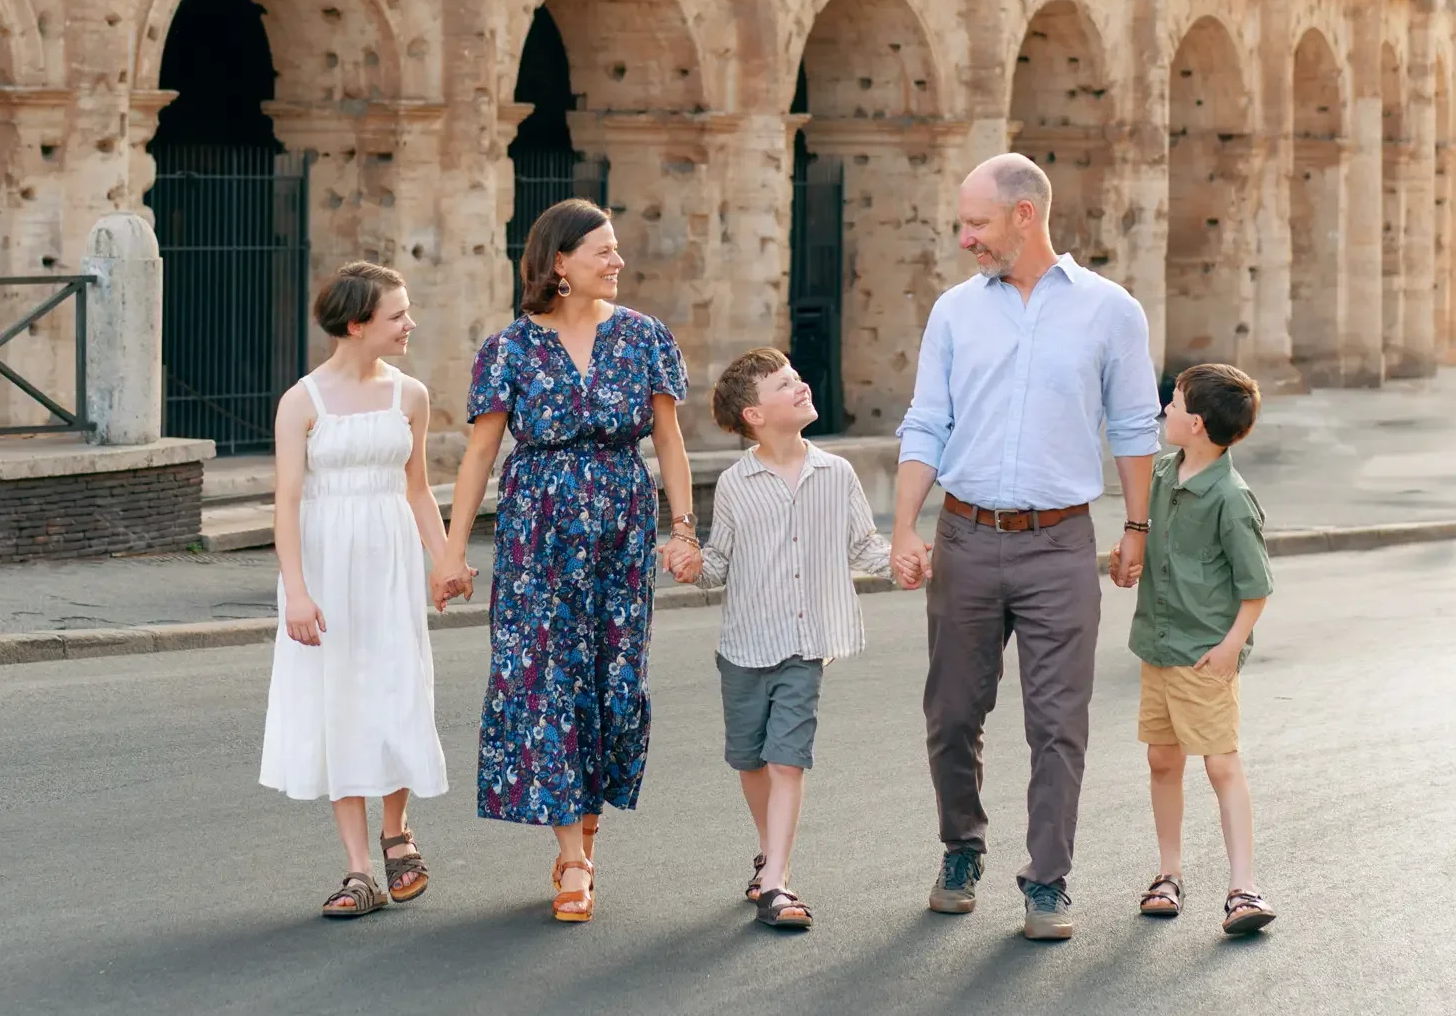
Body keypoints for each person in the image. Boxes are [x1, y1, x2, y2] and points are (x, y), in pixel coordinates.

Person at [892, 154, 1160, 940]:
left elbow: (1135, 426)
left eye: (975, 222)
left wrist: (1136, 527)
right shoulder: (953, 312)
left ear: (1024, 216)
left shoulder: (1110, 311)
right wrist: (904, 526)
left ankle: (1046, 882)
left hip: (1059, 544)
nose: (964, 237)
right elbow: (925, 423)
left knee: (1057, 721)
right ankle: (960, 848)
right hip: (965, 535)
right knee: (950, 712)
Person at [437, 200, 694, 924]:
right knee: (546, 678)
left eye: (616, 250)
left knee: (615, 679)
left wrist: (683, 529)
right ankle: (574, 861)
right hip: (537, 531)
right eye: (602, 251)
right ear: (559, 263)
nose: (616, 261)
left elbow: (669, 442)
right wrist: (453, 551)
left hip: (620, 523)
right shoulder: (508, 349)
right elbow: (480, 454)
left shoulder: (644, 337)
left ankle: (585, 828)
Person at [669, 347, 893, 932]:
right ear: (753, 416)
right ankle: (768, 855)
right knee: (750, 758)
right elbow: (718, 564)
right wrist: (690, 563)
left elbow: (867, 549)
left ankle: (776, 884)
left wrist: (913, 560)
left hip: (806, 643)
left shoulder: (836, 473)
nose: (800, 386)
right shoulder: (737, 485)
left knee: (787, 759)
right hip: (745, 644)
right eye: (783, 383)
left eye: (798, 377)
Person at [260, 261, 455, 921]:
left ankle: (397, 832)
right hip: (325, 564)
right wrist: (296, 592)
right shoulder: (302, 402)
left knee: (398, 693)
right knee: (338, 702)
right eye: (397, 314)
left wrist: (445, 559)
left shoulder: (411, 396)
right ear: (357, 324)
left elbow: (418, 489)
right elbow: (285, 503)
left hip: (390, 559)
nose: (410, 324)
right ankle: (359, 871)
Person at [1111, 361, 1276, 936]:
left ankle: (1244, 889)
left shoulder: (1231, 498)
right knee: (1162, 760)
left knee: (1221, 765)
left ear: (1198, 424)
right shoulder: (1160, 473)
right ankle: (1168, 874)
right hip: (1156, 644)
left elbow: (1256, 587)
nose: (1165, 412)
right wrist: (1125, 559)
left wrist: (1232, 646)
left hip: (1204, 654)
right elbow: (1145, 539)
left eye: (1175, 404)